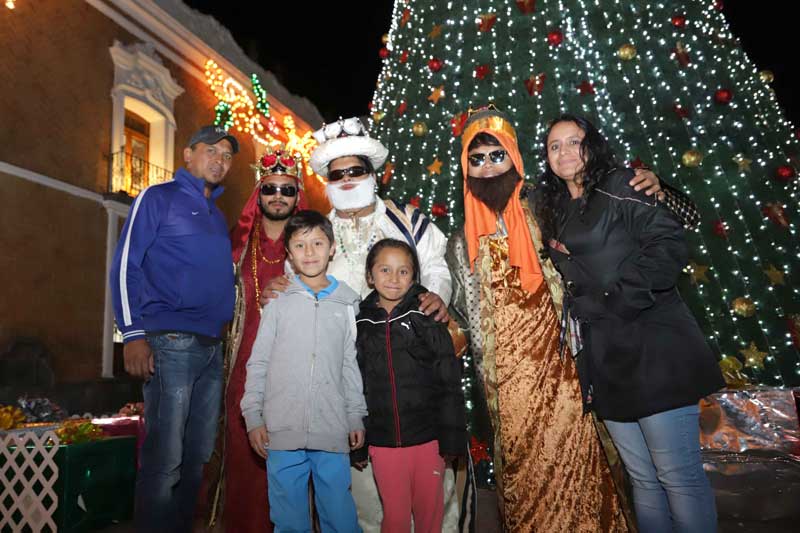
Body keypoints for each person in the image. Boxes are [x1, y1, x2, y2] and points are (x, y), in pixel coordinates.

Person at [446, 105, 699, 531]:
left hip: (571, 365)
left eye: (497, 155)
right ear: (464, 167)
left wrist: (657, 187)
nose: (488, 168)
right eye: (477, 158)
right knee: (620, 479)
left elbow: (672, 224)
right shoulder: (459, 242)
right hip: (508, 384)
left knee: (632, 473)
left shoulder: (546, 208)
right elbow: (463, 314)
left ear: (515, 156)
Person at [261, 117, 461, 532]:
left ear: (373, 173)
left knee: (428, 489)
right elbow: (295, 283)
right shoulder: (317, 233)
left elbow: (437, 265)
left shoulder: (408, 221)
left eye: (357, 170)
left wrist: (436, 295)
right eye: (338, 173)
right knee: (362, 490)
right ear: (328, 179)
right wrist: (280, 287)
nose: (348, 179)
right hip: (343, 377)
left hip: (409, 370)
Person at [534, 114, 725, 533]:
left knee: (678, 478)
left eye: (574, 141)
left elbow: (669, 244)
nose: (564, 152)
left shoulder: (622, 185)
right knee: (643, 481)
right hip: (606, 359)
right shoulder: (552, 208)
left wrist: (616, 301)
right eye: (554, 146)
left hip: (653, 347)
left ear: (592, 145)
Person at [109, 125, 239, 533]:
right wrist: (132, 333)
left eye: (227, 156)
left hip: (211, 347)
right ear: (188, 154)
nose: (219, 160)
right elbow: (125, 264)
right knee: (165, 460)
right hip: (170, 343)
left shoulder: (218, 217)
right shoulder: (158, 197)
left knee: (198, 456)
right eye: (211, 151)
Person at [240, 209, 367, 532]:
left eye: (317, 243)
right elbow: (259, 362)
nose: (309, 253)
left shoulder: (347, 304)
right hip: (282, 430)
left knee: (339, 516)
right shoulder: (278, 302)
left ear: (333, 248)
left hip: (332, 428)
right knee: (289, 520)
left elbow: (349, 365)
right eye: (300, 245)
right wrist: (253, 416)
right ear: (289, 254)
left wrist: (354, 415)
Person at [216, 145, 306, 532]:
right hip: (244, 372)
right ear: (259, 193)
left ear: (297, 196)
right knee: (243, 460)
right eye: (271, 188)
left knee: (290, 465)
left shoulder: (310, 247)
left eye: (288, 190)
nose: (278, 197)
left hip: (293, 372)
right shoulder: (237, 244)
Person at [353, 238, 467, 532]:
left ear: (414, 277)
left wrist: (452, 439)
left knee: (430, 513)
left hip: (428, 439)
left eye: (403, 272)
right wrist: (359, 443)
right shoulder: (361, 324)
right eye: (385, 270)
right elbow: (356, 386)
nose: (394, 279)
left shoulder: (426, 318)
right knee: (395, 515)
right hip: (383, 441)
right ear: (370, 276)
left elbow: (449, 381)